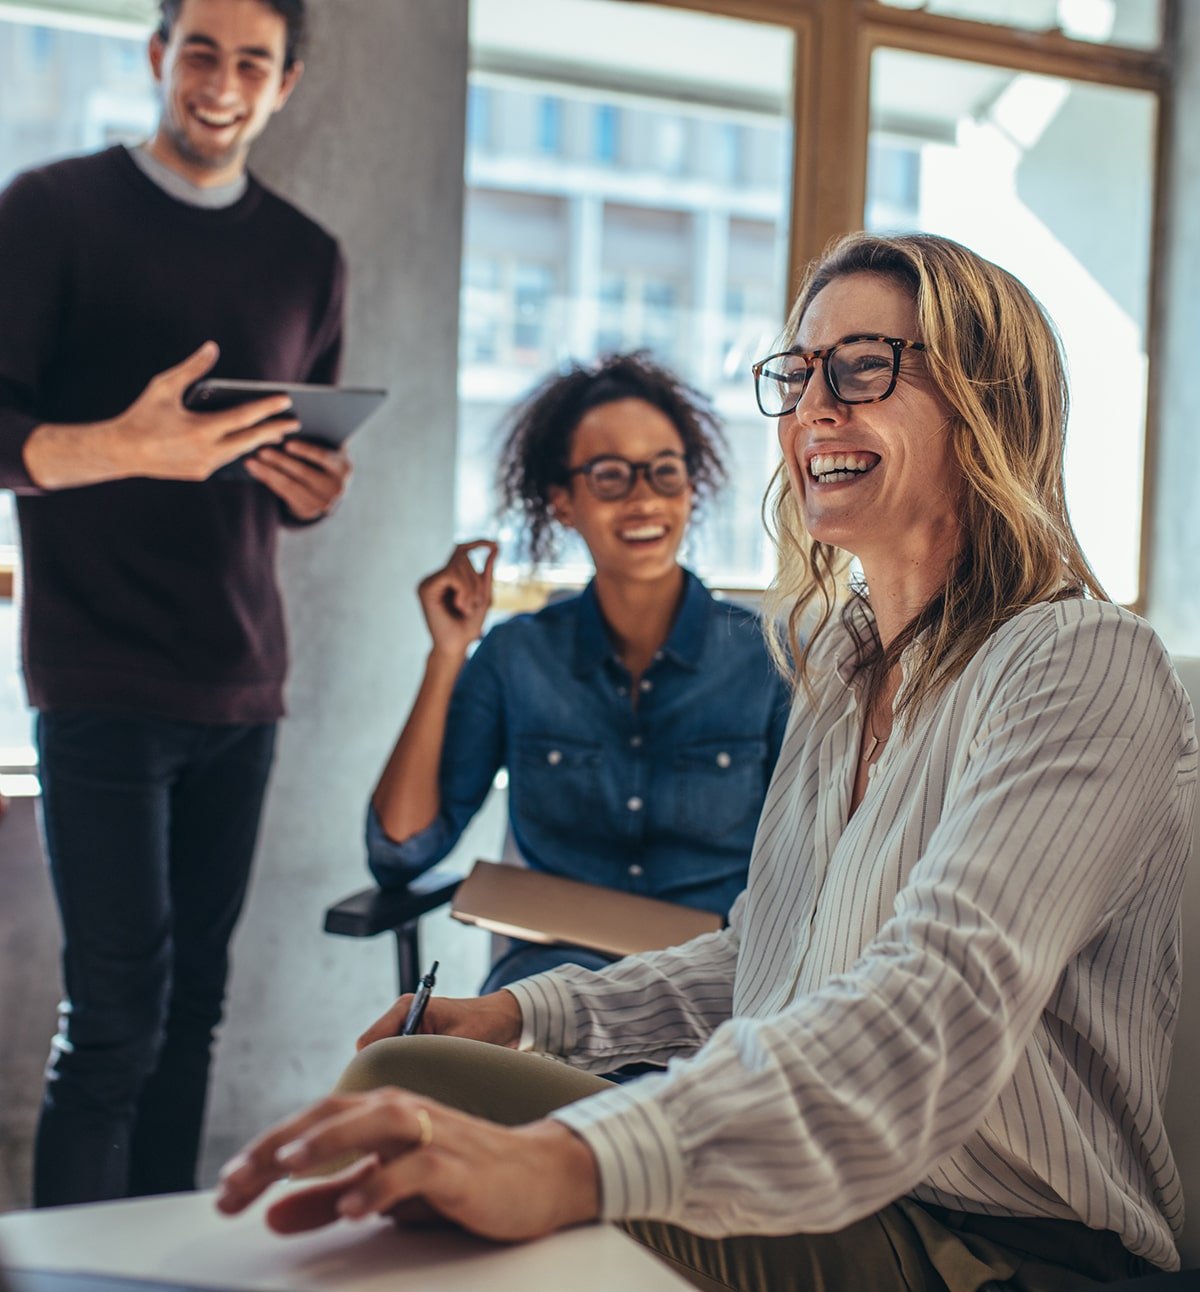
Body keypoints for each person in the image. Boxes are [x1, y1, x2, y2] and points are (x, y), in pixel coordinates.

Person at [217, 232, 1196, 1291]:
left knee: (469, 1175)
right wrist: (527, 1012)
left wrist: (571, 1159)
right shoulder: (839, 659)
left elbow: (930, 1008)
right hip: (834, 1178)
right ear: (563, 502)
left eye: (864, 365)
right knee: (409, 1075)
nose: (815, 406)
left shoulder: (1081, 659)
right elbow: (766, 957)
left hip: (994, 1241)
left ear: (986, 400)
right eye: (800, 372)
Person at [0, 0, 351, 1206]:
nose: (221, 80)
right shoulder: (47, 212)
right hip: (96, 673)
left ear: (285, 84)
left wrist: (314, 486)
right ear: (157, 56)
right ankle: (64, 1273)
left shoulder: (310, 256)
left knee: (193, 1010)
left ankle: (157, 1268)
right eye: (199, 49)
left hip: (243, 677)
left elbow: (286, 469)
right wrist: (125, 445)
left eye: (252, 60)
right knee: (113, 1022)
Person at [367, 352, 789, 991]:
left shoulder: (771, 661)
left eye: (664, 472)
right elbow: (400, 850)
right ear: (561, 502)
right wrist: (447, 653)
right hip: (545, 991)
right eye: (611, 476)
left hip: (715, 996)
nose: (644, 498)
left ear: (691, 489)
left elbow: (820, 869)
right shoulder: (516, 658)